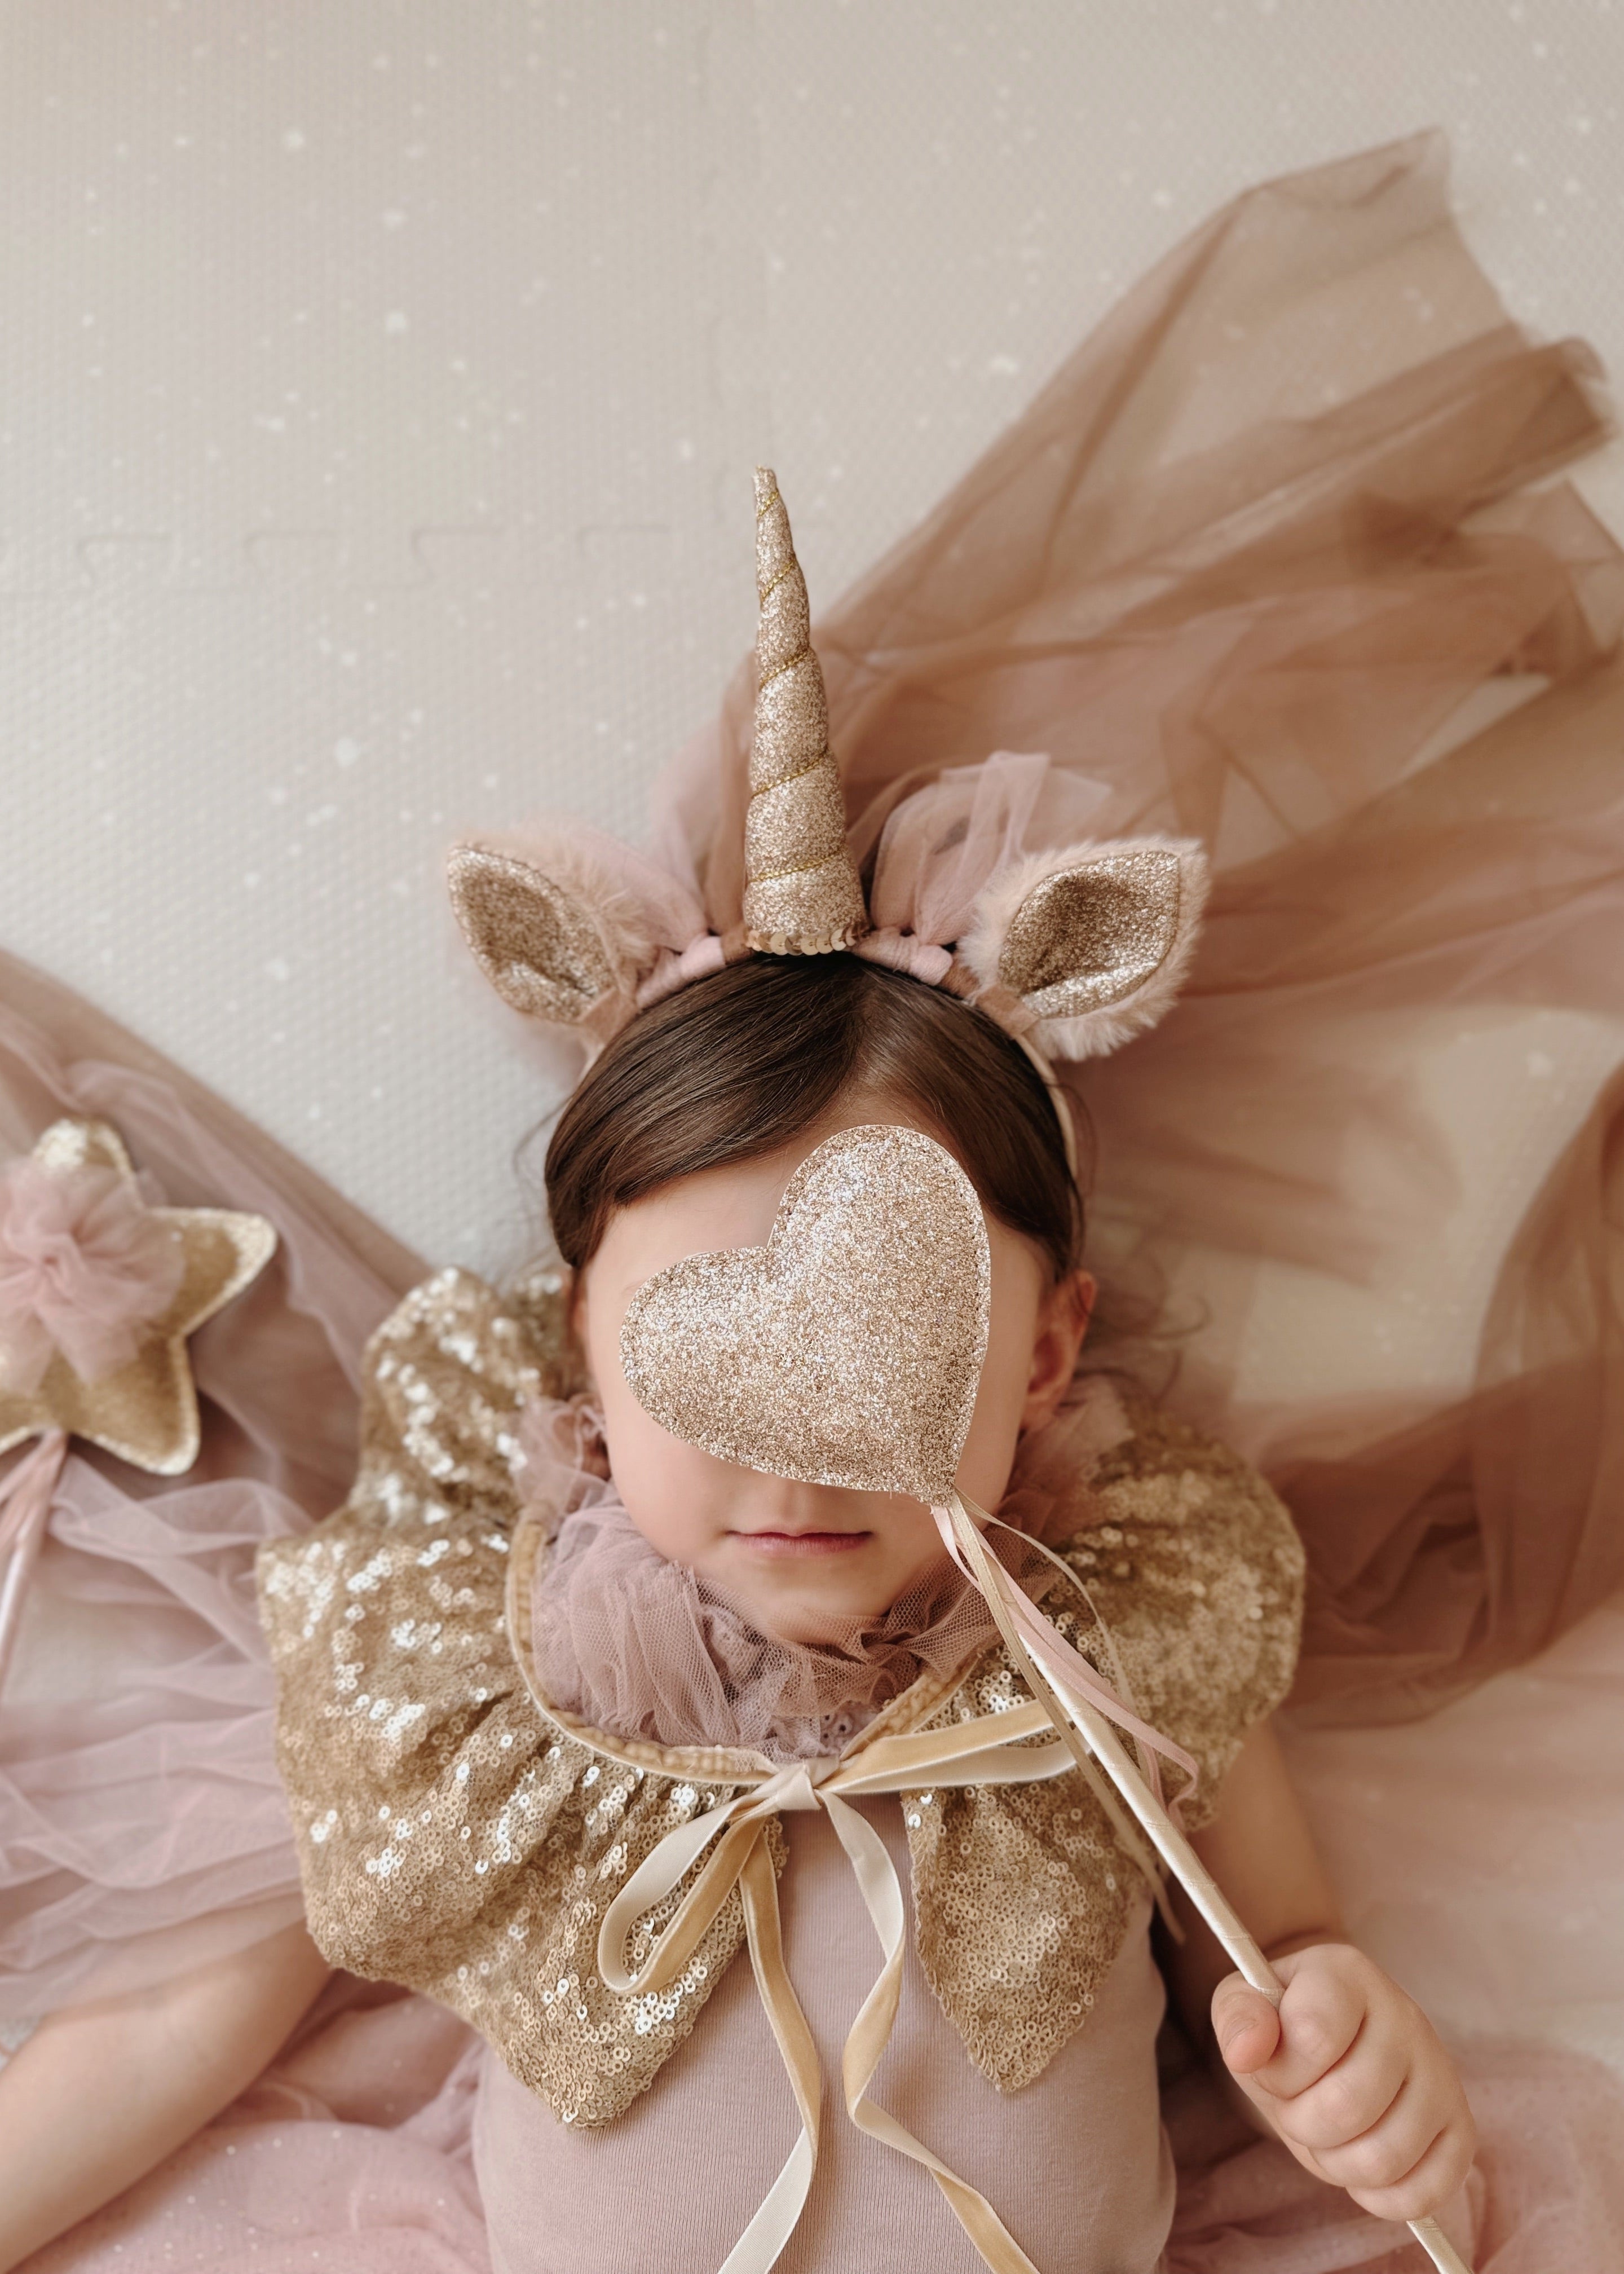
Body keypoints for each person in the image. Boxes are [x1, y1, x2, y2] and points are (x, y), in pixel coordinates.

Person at [2, 127, 1624, 2274]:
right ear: (581, 1355)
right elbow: (186, 2018)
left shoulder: (1122, 1624)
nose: (800, 1448)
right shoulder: (483, 1668)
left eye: (901, 1334)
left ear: (1046, 1350)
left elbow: (1294, 1949)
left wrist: (1351, 2045)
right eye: (706, 1347)